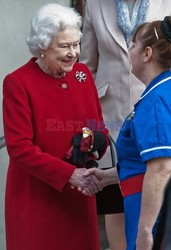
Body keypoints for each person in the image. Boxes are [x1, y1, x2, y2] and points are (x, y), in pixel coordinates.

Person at [2, 3, 109, 250]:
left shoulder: (82, 75)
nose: (73, 53)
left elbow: (96, 126)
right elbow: (19, 147)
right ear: (42, 46)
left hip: (78, 197)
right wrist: (68, 173)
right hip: (37, 199)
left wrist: (88, 144)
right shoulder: (18, 82)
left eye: (75, 44)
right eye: (64, 46)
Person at [79, 1, 171, 249]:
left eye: (132, 45)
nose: (128, 49)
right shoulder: (96, 5)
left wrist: (145, 232)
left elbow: (162, 169)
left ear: (147, 53)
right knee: (116, 206)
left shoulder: (157, 101)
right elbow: (86, 68)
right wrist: (107, 174)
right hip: (111, 115)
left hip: (154, 102)